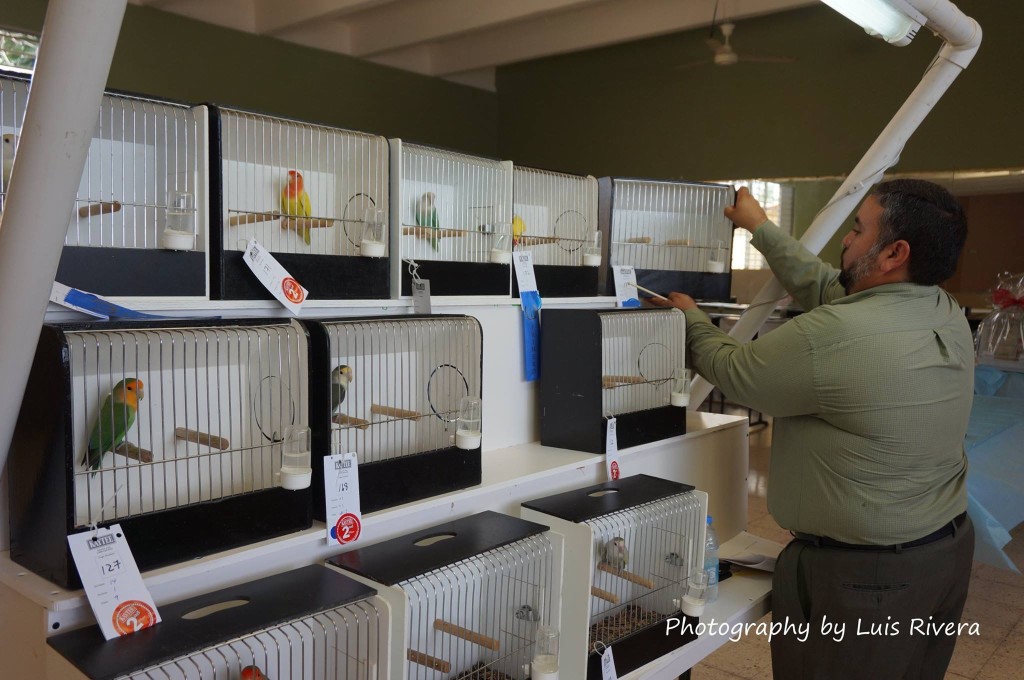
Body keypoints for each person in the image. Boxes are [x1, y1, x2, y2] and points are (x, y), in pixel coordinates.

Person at [655, 180, 974, 679]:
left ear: (894, 252)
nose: (846, 240)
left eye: (856, 228)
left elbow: (738, 371)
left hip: (865, 579)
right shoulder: (942, 309)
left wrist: (690, 320)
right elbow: (828, 285)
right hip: (943, 551)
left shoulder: (837, 336)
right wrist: (760, 228)